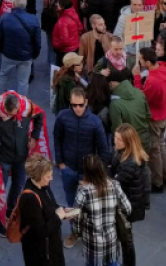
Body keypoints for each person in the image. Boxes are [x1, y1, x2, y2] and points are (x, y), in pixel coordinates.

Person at [53, 86, 110, 248]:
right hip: (68, 169)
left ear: (86, 102)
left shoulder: (95, 122)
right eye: (74, 105)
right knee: (71, 203)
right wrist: (61, 162)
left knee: (89, 205)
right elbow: (57, 138)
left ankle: (90, 232)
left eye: (80, 105)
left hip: (87, 173)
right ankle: (75, 233)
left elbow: (104, 150)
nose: (77, 108)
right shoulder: (63, 117)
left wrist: (95, 174)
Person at [0, 91, 44, 238]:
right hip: (3, 157)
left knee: (18, 184)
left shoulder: (27, 107)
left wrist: (34, 137)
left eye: (14, 114)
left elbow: (40, 116)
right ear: (4, 108)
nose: (12, 117)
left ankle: (10, 210)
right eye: (8, 114)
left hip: (21, 156)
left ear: (19, 108)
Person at [73, 154, 132, 266]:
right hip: (111, 238)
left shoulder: (83, 191)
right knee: (112, 263)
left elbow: (76, 219)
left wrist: (78, 232)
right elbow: (127, 208)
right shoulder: (115, 185)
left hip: (92, 243)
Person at [18, 155, 67, 266]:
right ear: (38, 176)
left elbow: (50, 205)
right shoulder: (29, 199)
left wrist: (63, 211)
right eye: (48, 176)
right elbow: (41, 231)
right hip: (42, 256)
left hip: (52, 247)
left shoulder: (44, 185)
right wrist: (57, 217)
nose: (51, 179)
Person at [110, 123, 148, 266]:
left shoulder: (129, 163)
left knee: (126, 239)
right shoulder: (123, 152)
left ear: (127, 142)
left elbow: (115, 183)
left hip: (128, 206)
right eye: (115, 137)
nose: (115, 141)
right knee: (126, 236)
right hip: (130, 201)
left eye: (119, 139)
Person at [132, 47, 166, 192]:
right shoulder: (163, 69)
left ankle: (157, 182)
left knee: (154, 150)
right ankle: (163, 174)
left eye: (140, 59)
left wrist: (137, 78)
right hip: (163, 114)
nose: (139, 61)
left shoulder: (152, 81)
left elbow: (143, 99)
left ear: (147, 61)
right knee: (160, 146)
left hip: (154, 118)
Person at [0, 0, 41, 96]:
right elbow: (37, 42)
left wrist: (1, 50)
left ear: (13, 3)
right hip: (25, 56)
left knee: (2, 76)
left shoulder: (5, 18)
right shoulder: (33, 20)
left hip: (8, 54)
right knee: (23, 82)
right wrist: (34, 54)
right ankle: (21, 105)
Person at [107, 73, 151, 154]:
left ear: (111, 83)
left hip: (130, 146)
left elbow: (117, 130)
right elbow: (148, 116)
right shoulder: (139, 92)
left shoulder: (115, 105)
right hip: (145, 140)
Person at [114, 0, 151, 68]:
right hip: (128, 54)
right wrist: (125, 52)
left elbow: (147, 38)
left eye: (139, 5)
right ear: (130, 5)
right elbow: (117, 36)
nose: (137, 7)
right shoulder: (123, 18)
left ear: (143, 5)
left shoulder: (146, 17)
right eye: (134, 5)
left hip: (141, 54)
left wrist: (146, 53)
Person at [52, 0, 82, 66]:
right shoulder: (73, 13)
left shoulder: (63, 21)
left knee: (63, 72)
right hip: (75, 48)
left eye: (58, 3)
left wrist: (56, 46)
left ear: (62, 6)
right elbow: (80, 27)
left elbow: (64, 41)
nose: (56, 4)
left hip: (65, 52)